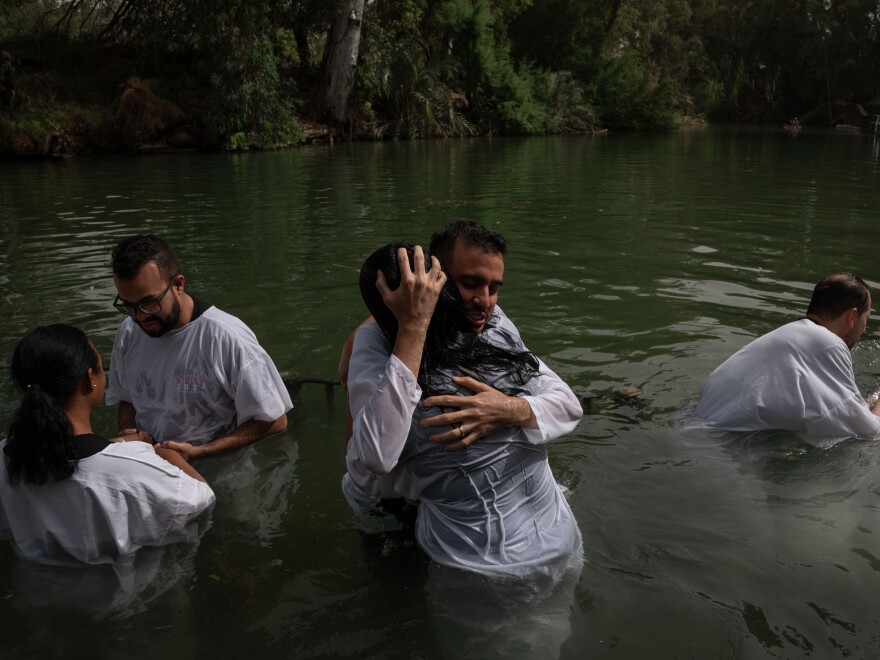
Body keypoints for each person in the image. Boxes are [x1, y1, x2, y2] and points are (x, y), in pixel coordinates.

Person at [346, 244, 583, 578]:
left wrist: (509, 409)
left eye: (494, 288)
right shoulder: (504, 351)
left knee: (356, 487)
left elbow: (371, 466)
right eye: (470, 284)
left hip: (475, 568)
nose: (484, 302)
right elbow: (569, 404)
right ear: (442, 284)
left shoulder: (426, 407)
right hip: (559, 540)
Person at [0, 324, 215, 565]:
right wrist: (166, 454)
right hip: (117, 595)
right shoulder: (132, 470)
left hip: (32, 589)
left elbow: (69, 458)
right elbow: (201, 500)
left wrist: (117, 444)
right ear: (90, 379)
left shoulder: (5, 457)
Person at [105, 235, 292, 460]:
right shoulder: (128, 332)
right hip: (155, 468)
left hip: (222, 470)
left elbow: (274, 420)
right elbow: (127, 397)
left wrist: (201, 452)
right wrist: (129, 433)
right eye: (129, 306)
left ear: (178, 285)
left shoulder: (226, 338)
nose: (140, 316)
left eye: (149, 302)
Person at [695, 273, 880, 439]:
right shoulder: (827, 343)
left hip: (694, 432)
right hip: (718, 449)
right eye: (867, 317)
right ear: (852, 316)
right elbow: (867, 432)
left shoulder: (788, 335)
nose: (865, 328)